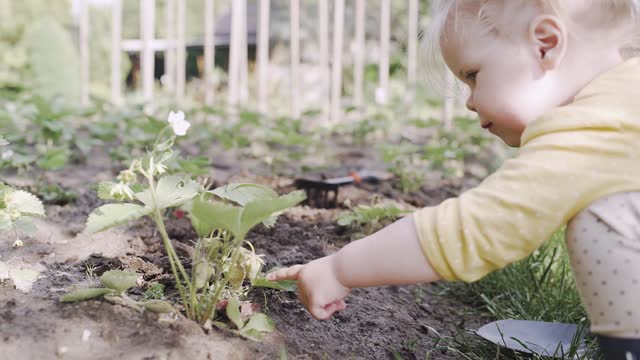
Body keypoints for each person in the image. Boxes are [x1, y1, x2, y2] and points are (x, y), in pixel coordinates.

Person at [267, 0, 640, 357]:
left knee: (601, 219)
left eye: (474, 75)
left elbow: (480, 226)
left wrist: (339, 268)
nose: (470, 101)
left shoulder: (596, 128)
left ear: (545, 45)